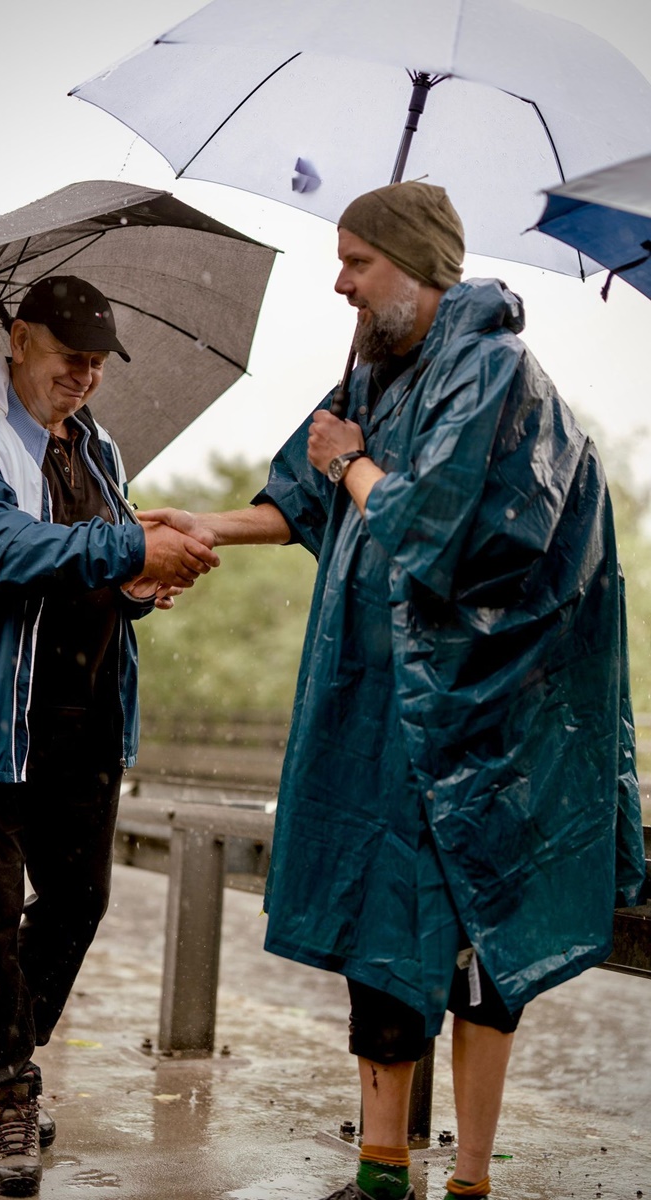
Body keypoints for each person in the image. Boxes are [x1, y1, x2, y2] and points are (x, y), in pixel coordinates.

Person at [141, 183, 647, 1200]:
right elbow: (299, 499)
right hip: (383, 710)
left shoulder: (495, 372)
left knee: (482, 944)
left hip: (488, 720)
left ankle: (470, 1181)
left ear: (416, 267)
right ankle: (381, 1173)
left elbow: (442, 533)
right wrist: (200, 525)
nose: (341, 284)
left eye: (358, 262)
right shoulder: (373, 374)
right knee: (381, 929)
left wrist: (353, 463)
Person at [0, 275, 220, 1196]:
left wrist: (138, 585)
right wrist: (130, 548)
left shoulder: (100, 449)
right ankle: (6, 1095)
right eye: (72, 357)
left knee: (79, 900)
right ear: (20, 338)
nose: (86, 377)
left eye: (99, 363)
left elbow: (96, 568)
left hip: (84, 714)